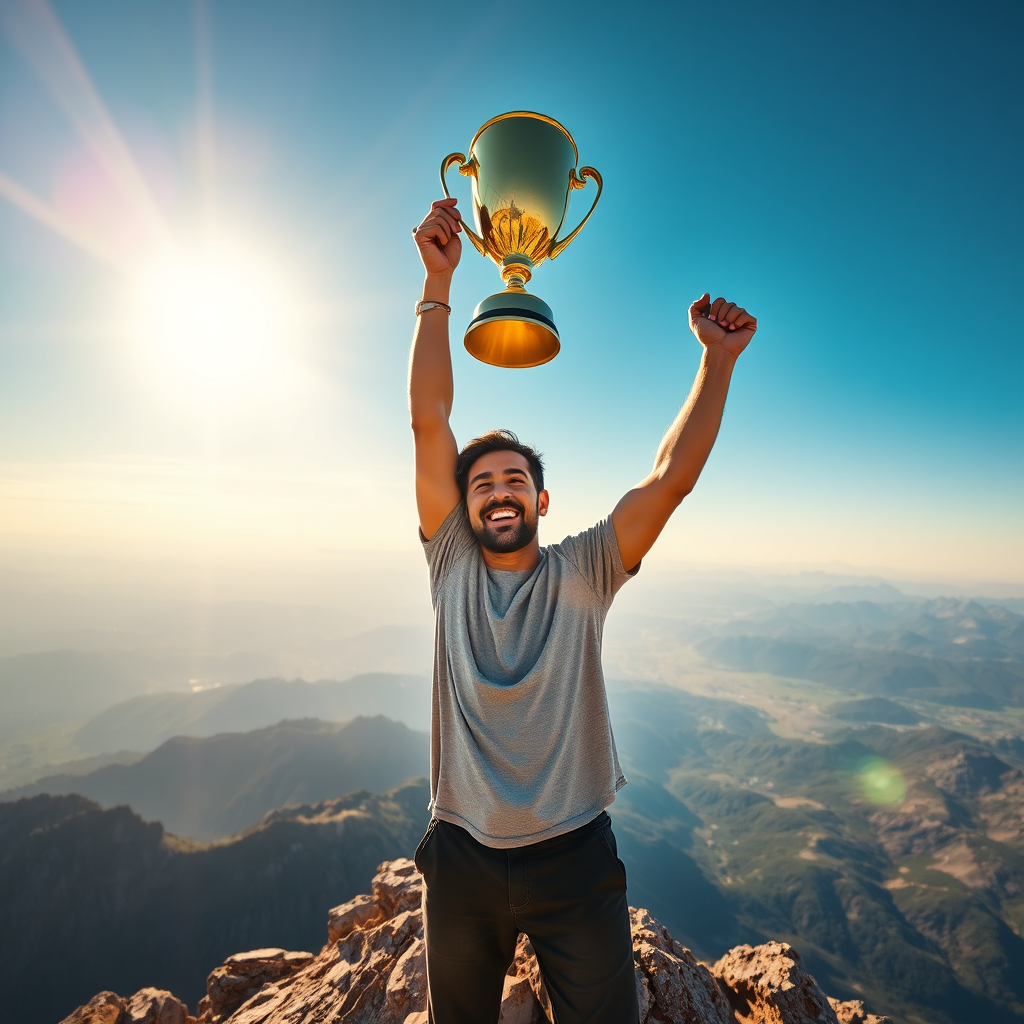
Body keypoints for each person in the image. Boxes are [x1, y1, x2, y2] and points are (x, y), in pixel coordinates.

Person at [408, 196, 757, 1024]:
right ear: (461, 505)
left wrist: (717, 362)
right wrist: (437, 285)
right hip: (461, 855)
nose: (498, 491)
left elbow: (669, 480)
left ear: (541, 500)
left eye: (515, 480)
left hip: (575, 858)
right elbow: (428, 419)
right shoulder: (450, 562)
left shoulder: (587, 569)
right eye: (481, 482)